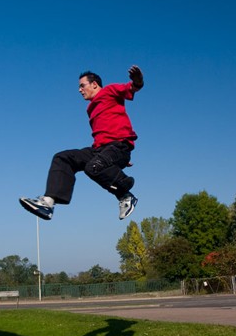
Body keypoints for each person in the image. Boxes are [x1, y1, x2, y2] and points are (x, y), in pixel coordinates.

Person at [19, 64, 144, 221]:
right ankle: (48, 203)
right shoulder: (90, 108)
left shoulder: (109, 91)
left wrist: (138, 80)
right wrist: (114, 161)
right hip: (101, 149)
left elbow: (132, 88)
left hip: (118, 146)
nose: (79, 90)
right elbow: (103, 133)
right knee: (63, 158)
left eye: (82, 86)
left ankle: (125, 194)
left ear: (94, 84)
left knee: (92, 167)